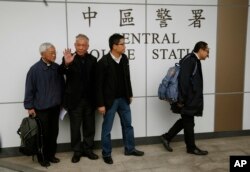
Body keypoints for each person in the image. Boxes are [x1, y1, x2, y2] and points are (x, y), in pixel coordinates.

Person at [96, 33, 144, 165]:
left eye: (124, 43)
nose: (124, 46)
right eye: (122, 44)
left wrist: (129, 94)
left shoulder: (124, 59)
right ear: (114, 46)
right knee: (107, 129)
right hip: (109, 101)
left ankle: (130, 148)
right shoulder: (103, 62)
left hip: (123, 99)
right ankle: (106, 153)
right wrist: (100, 104)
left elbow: (127, 78)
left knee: (128, 125)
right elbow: (98, 85)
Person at [161, 41, 209, 156]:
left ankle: (167, 137)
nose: (208, 54)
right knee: (188, 122)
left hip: (189, 99)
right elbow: (183, 81)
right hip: (187, 100)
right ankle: (191, 147)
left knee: (187, 122)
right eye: (207, 51)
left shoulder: (194, 60)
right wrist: (181, 100)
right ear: (201, 49)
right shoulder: (190, 60)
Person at [59, 34, 98, 163]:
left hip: (90, 101)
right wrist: (66, 63)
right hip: (74, 101)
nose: (81, 47)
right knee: (75, 128)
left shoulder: (93, 59)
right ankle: (77, 151)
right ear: (75, 45)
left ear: (88, 46)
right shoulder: (69, 58)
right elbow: (60, 72)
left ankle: (88, 149)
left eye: (83, 45)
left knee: (90, 127)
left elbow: (96, 81)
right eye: (78, 45)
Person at [24, 42, 64, 167]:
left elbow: (62, 86)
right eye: (51, 52)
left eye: (55, 52)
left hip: (55, 108)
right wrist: (29, 107)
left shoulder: (57, 68)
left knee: (54, 133)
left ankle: (51, 155)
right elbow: (29, 89)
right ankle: (42, 158)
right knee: (43, 135)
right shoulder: (34, 70)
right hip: (41, 109)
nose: (54, 55)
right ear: (42, 54)